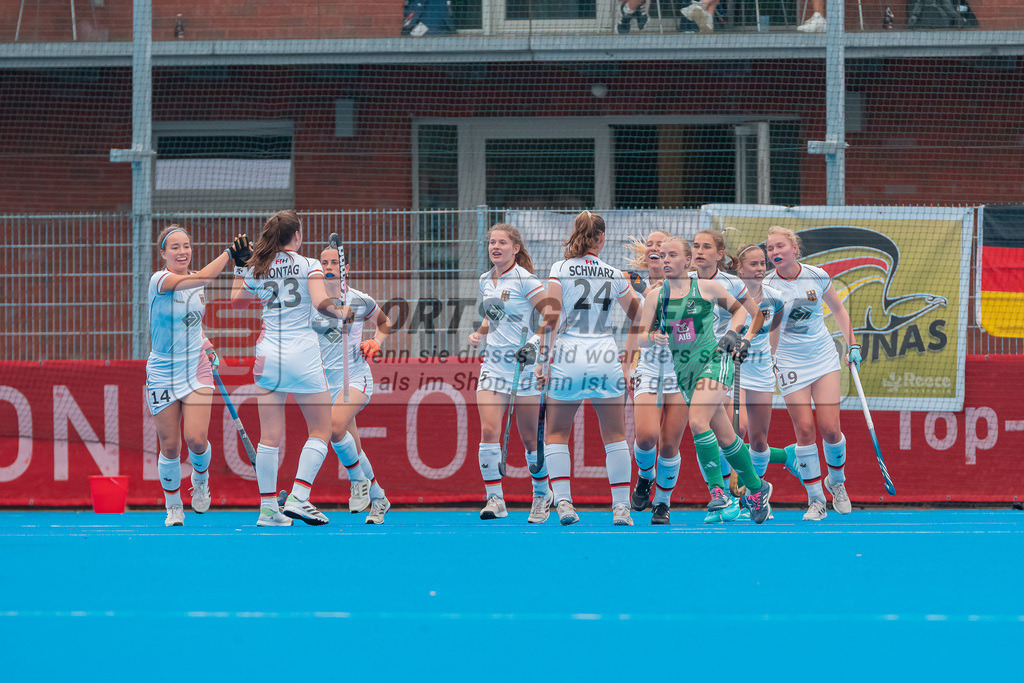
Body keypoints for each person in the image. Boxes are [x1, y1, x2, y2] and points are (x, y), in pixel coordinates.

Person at [639, 235, 774, 523]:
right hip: (683, 371)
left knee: (698, 421)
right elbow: (639, 337)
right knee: (726, 438)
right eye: (662, 255)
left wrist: (732, 335)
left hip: (714, 362)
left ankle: (717, 491)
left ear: (687, 261)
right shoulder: (655, 296)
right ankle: (757, 487)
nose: (665, 260)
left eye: (672, 255)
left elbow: (740, 311)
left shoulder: (707, 287)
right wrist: (652, 336)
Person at [230, 210, 349, 527]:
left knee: (269, 436)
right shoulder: (309, 264)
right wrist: (342, 311)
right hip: (303, 354)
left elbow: (236, 303)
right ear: (297, 235)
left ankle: (268, 508)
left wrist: (241, 267)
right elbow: (320, 302)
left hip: (268, 353)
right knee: (322, 430)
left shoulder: (259, 266)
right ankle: (298, 495)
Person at [535, 210, 643, 526]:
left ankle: (565, 504)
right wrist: (629, 360)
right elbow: (640, 315)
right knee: (615, 436)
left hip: (570, 353)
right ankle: (621, 508)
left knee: (556, 433)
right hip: (605, 354)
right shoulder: (614, 272)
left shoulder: (560, 269)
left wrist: (542, 361)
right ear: (602, 238)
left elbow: (551, 319)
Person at [282, 245, 393, 525]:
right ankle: (379, 497)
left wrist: (375, 341)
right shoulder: (310, 301)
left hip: (355, 378)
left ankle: (357, 481)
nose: (329, 267)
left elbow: (384, 323)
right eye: (324, 262)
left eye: (334, 262)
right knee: (348, 441)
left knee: (333, 428)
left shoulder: (359, 299)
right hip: (322, 384)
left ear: (345, 269)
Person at [147, 225, 246, 526]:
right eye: (174, 247)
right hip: (163, 370)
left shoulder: (196, 283)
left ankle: (200, 480)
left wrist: (205, 344)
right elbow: (204, 277)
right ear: (163, 253)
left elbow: (192, 323)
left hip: (196, 366)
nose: (182, 251)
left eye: (186, 246)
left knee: (196, 439)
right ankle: (173, 506)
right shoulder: (160, 280)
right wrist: (229, 254)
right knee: (170, 445)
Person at [764, 225, 859, 521]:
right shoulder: (767, 285)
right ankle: (816, 500)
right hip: (789, 362)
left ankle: (837, 482)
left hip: (822, 358)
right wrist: (769, 358)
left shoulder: (817, 275)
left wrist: (852, 345)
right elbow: (767, 326)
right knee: (804, 430)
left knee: (830, 428)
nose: (775, 252)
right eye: (770, 249)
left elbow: (839, 311)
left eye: (780, 246)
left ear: (794, 248)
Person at [468, 224, 552, 522]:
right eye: (492, 242)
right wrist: (480, 332)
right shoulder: (485, 280)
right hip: (493, 365)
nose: (496, 247)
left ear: (515, 248)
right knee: (489, 432)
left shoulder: (526, 279)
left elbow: (553, 314)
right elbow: (495, 315)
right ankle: (495, 499)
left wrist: (533, 342)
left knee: (530, 440)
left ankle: (541, 494)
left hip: (524, 367)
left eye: (502, 242)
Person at [622, 231, 691, 525]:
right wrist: (627, 366)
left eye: (664, 249)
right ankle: (644, 477)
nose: (657, 251)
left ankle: (662, 503)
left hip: (683, 370)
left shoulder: (696, 288)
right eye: (652, 247)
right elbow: (636, 332)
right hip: (649, 368)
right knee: (647, 436)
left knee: (669, 444)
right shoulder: (637, 286)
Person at [689, 229, 749, 522]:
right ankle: (753, 488)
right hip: (689, 364)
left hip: (720, 359)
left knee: (702, 423)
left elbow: (753, 314)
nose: (700, 251)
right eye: (696, 246)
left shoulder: (731, 283)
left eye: (706, 247)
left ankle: (722, 495)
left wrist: (739, 336)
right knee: (721, 433)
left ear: (719, 253)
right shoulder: (682, 281)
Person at [730, 244, 798, 490]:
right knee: (738, 429)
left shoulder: (774, 298)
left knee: (759, 441)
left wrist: (771, 356)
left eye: (762, 264)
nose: (760, 269)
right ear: (740, 269)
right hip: (732, 369)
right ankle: (731, 496)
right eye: (753, 264)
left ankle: (752, 495)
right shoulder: (728, 294)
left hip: (760, 371)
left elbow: (776, 324)